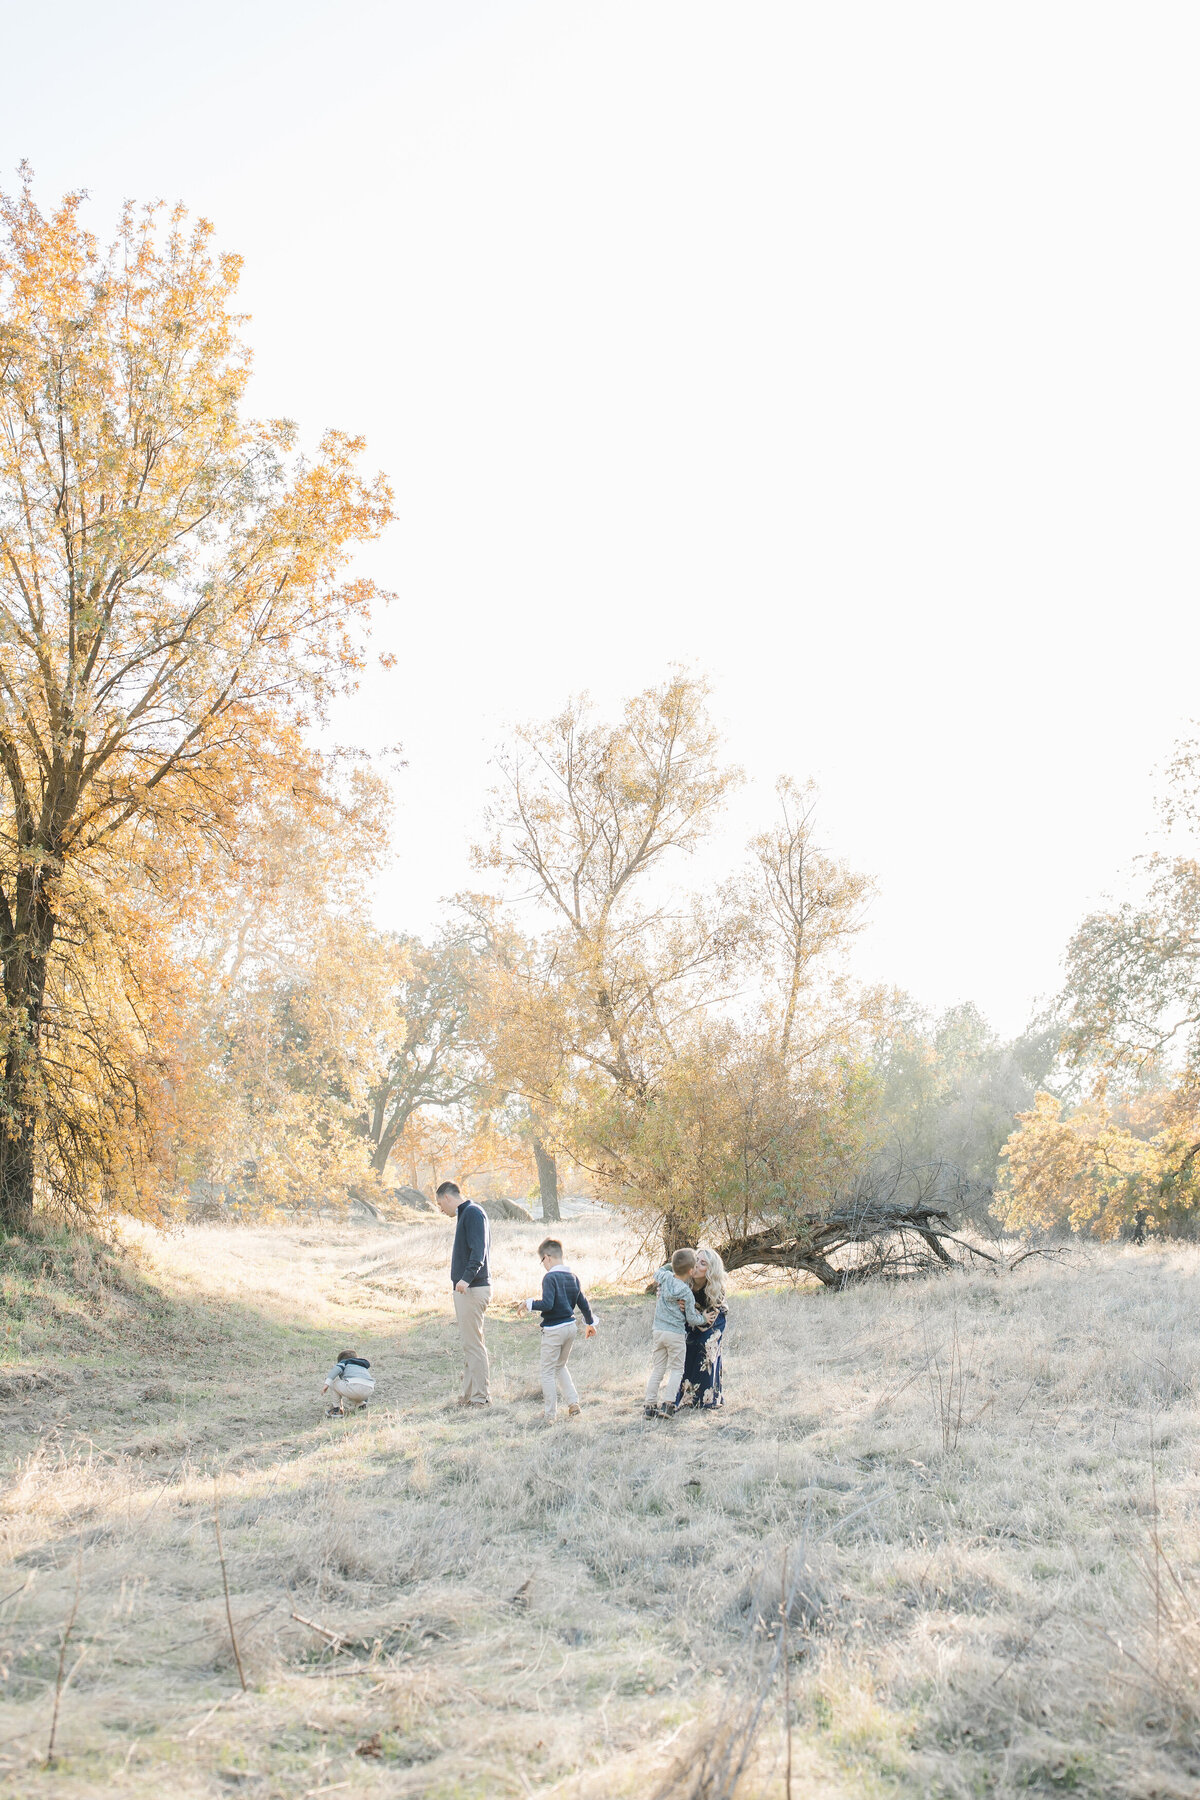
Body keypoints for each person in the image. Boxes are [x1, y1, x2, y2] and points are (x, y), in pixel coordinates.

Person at [522, 1236, 597, 1423]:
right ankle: (573, 1403)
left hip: (554, 1329)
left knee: (547, 1371)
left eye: (542, 1261)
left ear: (547, 1257)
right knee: (560, 1366)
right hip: (570, 1328)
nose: (543, 1265)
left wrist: (528, 1303)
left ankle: (550, 1414)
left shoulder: (550, 1277)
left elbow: (547, 1304)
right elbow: (584, 1303)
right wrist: (590, 1323)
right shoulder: (573, 1277)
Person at [436, 1179, 492, 1407]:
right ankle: (469, 1396)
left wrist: (465, 1279)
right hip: (470, 1288)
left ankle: (481, 1397)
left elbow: (478, 1250)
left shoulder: (472, 1213)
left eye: (440, 1204)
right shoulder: (467, 1213)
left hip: (472, 1288)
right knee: (471, 1343)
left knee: (474, 1345)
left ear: (447, 1197)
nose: (440, 1209)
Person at [644, 1247, 706, 1419]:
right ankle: (668, 1405)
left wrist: (671, 1266)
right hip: (675, 1334)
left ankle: (649, 1405)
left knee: (658, 1369)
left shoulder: (664, 1278)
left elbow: (659, 1271)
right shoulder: (686, 1291)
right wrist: (704, 1318)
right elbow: (692, 1318)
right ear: (691, 1270)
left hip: (658, 1331)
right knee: (677, 1369)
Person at [675, 1245, 727, 1410]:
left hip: (713, 1323)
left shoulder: (717, 1289)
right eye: (696, 1260)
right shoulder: (684, 1280)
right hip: (691, 1321)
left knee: (705, 1345)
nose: (697, 1265)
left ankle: (707, 1399)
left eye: (703, 1263)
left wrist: (690, 1310)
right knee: (685, 1344)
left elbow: (708, 1321)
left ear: (710, 1270)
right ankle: (684, 1397)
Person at [322, 1350, 375, 1417]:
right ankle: (361, 1404)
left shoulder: (345, 1362)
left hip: (353, 1387)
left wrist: (327, 1384)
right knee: (357, 1390)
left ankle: (337, 1410)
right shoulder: (362, 1366)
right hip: (369, 1388)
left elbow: (336, 1369)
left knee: (334, 1384)